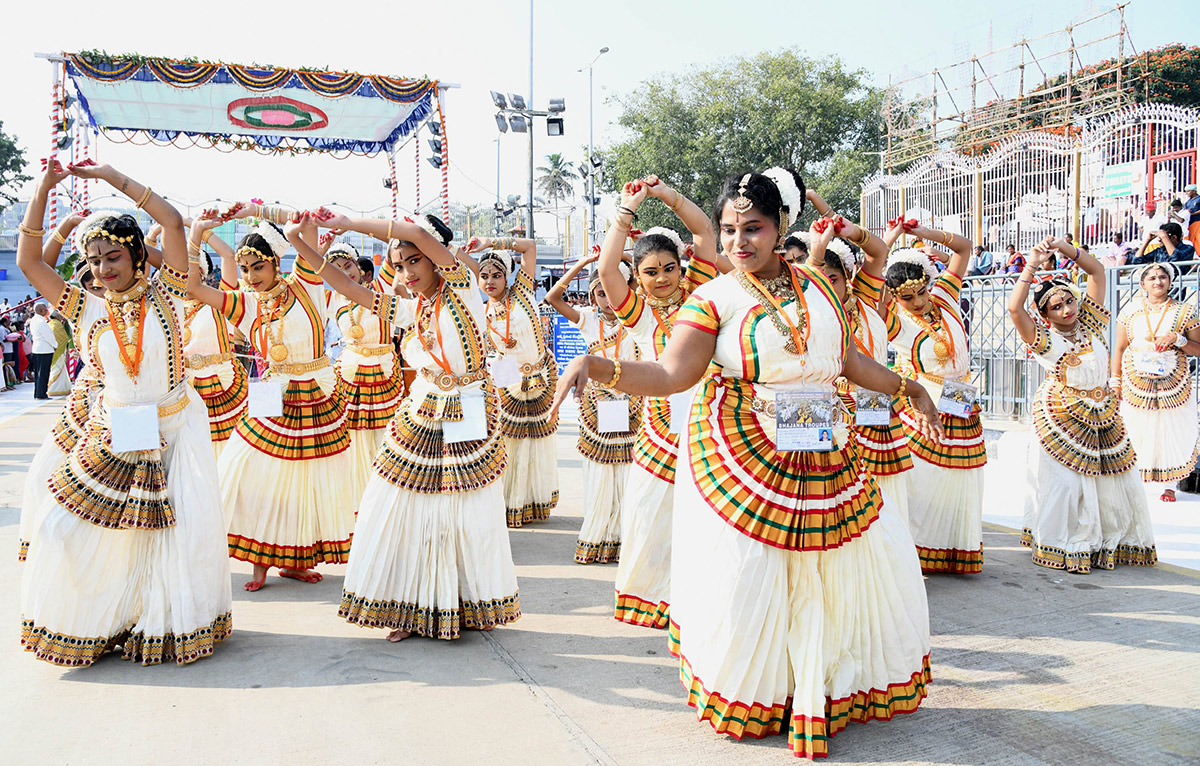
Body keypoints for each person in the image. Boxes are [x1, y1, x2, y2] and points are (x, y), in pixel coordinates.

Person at [553, 168, 937, 760]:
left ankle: (817, 687)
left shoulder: (822, 286)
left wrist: (907, 387)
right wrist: (600, 368)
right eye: (729, 230)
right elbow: (673, 374)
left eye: (752, 228)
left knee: (832, 570)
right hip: (744, 448)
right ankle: (765, 690)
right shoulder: (714, 297)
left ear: (783, 225)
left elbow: (849, 358)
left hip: (824, 446)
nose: (738, 242)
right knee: (756, 572)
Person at [17, 158, 230, 666]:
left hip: (175, 429)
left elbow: (173, 222)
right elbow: (30, 263)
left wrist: (111, 177)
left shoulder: (174, 295)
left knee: (172, 542)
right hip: (115, 434)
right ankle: (99, 621)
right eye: (93, 261)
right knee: (61, 530)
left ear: (137, 255)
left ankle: (157, 625)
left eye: (113, 256)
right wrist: (46, 185)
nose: (103, 269)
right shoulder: (85, 305)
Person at [293, 209, 518, 642]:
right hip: (423, 407)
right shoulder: (412, 307)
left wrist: (351, 221)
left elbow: (414, 232)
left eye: (414, 260)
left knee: (468, 513)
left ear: (436, 258)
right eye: (399, 265)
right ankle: (407, 606)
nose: (406, 271)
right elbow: (347, 288)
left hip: (469, 405)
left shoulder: (463, 287)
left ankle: (470, 601)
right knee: (404, 506)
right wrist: (302, 245)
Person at [186, 203, 357, 591]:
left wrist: (254, 208)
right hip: (272, 398)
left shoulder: (307, 286)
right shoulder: (244, 304)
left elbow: (305, 223)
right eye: (244, 269)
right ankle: (260, 563)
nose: (249, 276)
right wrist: (196, 236)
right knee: (257, 475)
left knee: (307, 481)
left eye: (256, 267)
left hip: (317, 395)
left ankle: (296, 561)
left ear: (275, 264)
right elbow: (195, 288)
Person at [596, 175, 721, 629]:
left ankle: (698, 601)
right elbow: (608, 271)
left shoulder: (702, 299)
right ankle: (654, 601)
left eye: (669, 268)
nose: (662, 278)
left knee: (703, 519)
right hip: (662, 430)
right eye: (650, 272)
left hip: (709, 423)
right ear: (639, 277)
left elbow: (705, 234)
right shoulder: (640, 313)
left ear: (681, 268)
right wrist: (626, 211)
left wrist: (666, 195)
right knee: (651, 515)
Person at [1007, 237, 1157, 572]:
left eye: (1068, 301)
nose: (1066, 309)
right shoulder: (1044, 339)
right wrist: (1032, 263)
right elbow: (1015, 309)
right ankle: (1063, 544)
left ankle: (1102, 542)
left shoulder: (1090, 323)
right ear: (1045, 314)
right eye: (1056, 307)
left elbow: (1098, 272)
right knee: (1066, 484)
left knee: (1112, 479)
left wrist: (1064, 247)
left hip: (1103, 412)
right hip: (1063, 416)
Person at [805, 192, 916, 524]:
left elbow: (878, 251)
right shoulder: (807, 310)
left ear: (847, 279)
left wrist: (845, 229)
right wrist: (817, 249)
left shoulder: (864, 297)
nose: (827, 285)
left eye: (834, 278)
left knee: (885, 502)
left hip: (877, 410)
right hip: (833, 417)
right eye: (819, 279)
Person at [884, 223, 988, 574]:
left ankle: (952, 552)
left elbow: (964, 248)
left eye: (921, 292)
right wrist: (892, 240)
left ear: (930, 284)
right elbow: (867, 290)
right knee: (925, 481)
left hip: (963, 402)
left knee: (962, 481)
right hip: (925, 405)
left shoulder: (945, 296)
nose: (917, 302)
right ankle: (913, 553)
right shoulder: (896, 321)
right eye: (907, 297)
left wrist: (925, 231)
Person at [545, 254, 643, 564]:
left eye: (612, 289)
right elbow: (552, 297)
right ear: (591, 296)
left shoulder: (639, 318)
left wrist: (625, 258)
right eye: (600, 292)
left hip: (634, 403)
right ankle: (601, 535)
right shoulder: (588, 320)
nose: (607, 298)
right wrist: (588, 261)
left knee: (629, 472)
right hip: (597, 407)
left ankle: (628, 537)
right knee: (600, 473)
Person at [465, 232, 559, 528]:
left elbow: (529, 247)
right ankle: (508, 503)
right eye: (483, 276)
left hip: (539, 378)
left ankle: (532, 501)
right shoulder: (482, 311)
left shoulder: (523, 292)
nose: (489, 281)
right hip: (507, 382)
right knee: (509, 442)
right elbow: (459, 261)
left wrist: (490, 244)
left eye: (496, 275)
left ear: (508, 276)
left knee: (537, 443)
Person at [317, 237, 402, 501]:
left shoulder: (382, 288)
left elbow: (392, 249)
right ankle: (355, 495)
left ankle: (387, 493)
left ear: (359, 267)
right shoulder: (331, 299)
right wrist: (322, 245)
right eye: (337, 269)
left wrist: (352, 225)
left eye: (347, 265)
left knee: (387, 432)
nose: (344, 273)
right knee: (351, 434)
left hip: (383, 372)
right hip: (350, 375)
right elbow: (307, 270)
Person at [1113, 260, 1200, 502]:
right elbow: (1120, 348)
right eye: (1151, 278)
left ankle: (1170, 485)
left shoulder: (1185, 311)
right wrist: (1115, 380)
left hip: (1173, 380)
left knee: (1172, 427)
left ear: (1170, 282)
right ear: (1142, 284)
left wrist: (1178, 339)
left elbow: (1198, 348)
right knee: (1135, 426)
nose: (1157, 281)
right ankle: (1132, 480)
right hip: (1136, 379)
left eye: (1162, 277)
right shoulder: (1130, 311)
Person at [177, 215, 249, 459]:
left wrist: (194, 229)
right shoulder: (167, 306)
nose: (185, 277)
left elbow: (228, 255)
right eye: (181, 272)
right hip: (185, 387)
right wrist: (153, 237)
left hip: (224, 385)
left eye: (191, 271)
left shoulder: (219, 301)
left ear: (202, 273)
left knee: (228, 454)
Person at [28, 303, 55, 400]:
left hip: (38, 349)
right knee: (43, 373)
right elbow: (48, 336)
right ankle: (41, 393)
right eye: (44, 309)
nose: (46, 311)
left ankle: (39, 393)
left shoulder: (35, 320)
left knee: (39, 373)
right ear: (40, 311)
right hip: (44, 349)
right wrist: (55, 345)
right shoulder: (41, 322)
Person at [1184, 183, 1200, 252]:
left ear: (1194, 191)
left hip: (1198, 222)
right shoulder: (1188, 202)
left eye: (1188, 191)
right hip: (1190, 223)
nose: (1187, 193)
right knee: (1191, 240)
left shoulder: (1199, 199)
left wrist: (1192, 214)